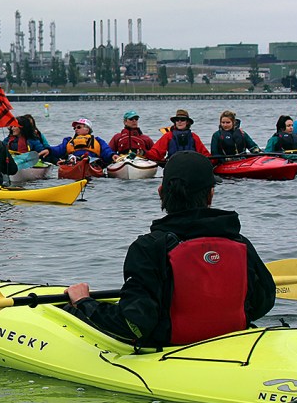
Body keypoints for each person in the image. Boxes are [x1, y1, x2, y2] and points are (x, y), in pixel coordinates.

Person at [65, 152, 275, 347]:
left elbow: (133, 325)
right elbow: (263, 303)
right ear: (211, 195)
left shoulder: (149, 247)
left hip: (169, 350)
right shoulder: (240, 243)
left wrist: (85, 303)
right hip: (230, 345)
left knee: (67, 311)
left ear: (161, 192)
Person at [144, 109, 210, 163]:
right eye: (177, 120)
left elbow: (204, 154)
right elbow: (156, 153)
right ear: (175, 122)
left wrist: (214, 161)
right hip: (173, 165)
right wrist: (144, 153)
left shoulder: (194, 137)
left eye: (182, 120)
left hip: (191, 165)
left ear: (187, 122)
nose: (179, 122)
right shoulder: (168, 136)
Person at [49, 118, 116, 166]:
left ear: (87, 130)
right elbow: (58, 149)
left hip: (92, 162)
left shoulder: (97, 140)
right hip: (73, 161)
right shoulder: (68, 140)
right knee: (71, 158)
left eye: (78, 127)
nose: (76, 129)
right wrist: (48, 150)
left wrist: (112, 155)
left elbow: (106, 150)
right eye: (74, 128)